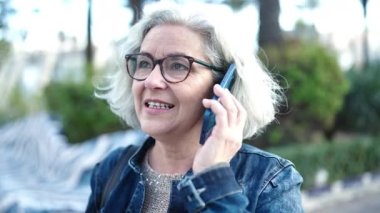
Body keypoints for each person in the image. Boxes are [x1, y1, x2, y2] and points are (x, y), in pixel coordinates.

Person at [86, 1, 303, 212]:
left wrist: (214, 179)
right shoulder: (112, 168)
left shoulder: (270, 181)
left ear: (223, 85)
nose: (151, 81)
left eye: (178, 66)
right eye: (144, 63)